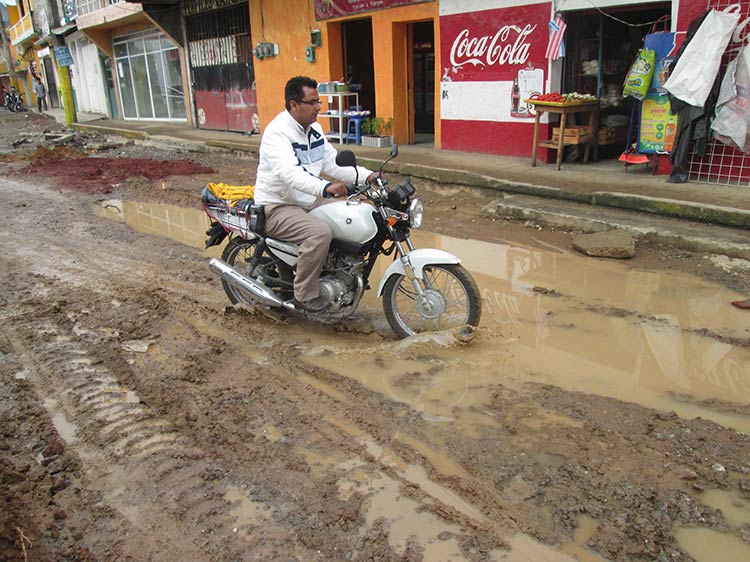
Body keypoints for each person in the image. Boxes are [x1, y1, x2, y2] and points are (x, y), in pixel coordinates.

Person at [253, 76, 377, 312]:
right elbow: (289, 173)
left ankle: (338, 273)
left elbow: (332, 164)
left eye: (319, 101)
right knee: (320, 232)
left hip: (307, 198)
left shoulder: (315, 130)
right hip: (278, 205)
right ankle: (305, 295)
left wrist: (368, 176)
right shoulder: (277, 133)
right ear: (293, 105)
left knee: (354, 210)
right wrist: (324, 188)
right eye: (312, 102)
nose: (318, 107)